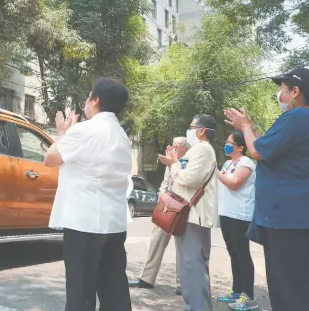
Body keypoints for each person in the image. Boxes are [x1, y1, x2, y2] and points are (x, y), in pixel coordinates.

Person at [224, 67, 309, 311]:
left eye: (282, 88)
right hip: (304, 215)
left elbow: (257, 151)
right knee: (302, 287)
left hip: (293, 217)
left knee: (289, 292)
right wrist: (250, 127)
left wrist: (245, 127)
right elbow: (266, 146)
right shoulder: (308, 120)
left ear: (296, 91)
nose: (279, 94)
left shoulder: (298, 118)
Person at [45, 78, 132, 311]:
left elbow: (50, 159)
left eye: (89, 96)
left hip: (84, 222)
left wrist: (63, 133)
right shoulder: (123, 137)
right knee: (114, 290)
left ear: (95, 100)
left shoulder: (84, 130)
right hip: (114, 222)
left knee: (80, 291)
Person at [160, 115, 218, 311]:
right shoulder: (198, 150)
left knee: (193, 268)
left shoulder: (203, 150)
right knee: (188, 268)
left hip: (194, 216)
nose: (189, 130)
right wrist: (175, 162)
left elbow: (190, 178)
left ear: (202, 131)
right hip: (188, 215)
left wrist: (174, 164)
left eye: (192, 127)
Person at [129, 136, 190, 294]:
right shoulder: (171, 163)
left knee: (182, 247)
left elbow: (185, 181)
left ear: (185, 149)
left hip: (182, 209)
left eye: (177, 146)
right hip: (167, 206)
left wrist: (174, 163)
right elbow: (165, 183)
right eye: (172, 146)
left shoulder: (189, 162)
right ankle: (147, 279)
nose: (173, 149)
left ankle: (182, 285)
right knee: (156, 241)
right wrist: (162, 196)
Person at [215, 130, 257, 310]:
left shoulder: (246, 163)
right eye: (227, 140)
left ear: (240, 147)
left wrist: (214, 171)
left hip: (240, 215)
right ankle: (237, 291)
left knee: (242, 255)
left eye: (230, 142)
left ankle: (248, 297)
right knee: (233, 254)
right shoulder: (227, 163)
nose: (227, 144)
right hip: (226, 214)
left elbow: (234, 183)